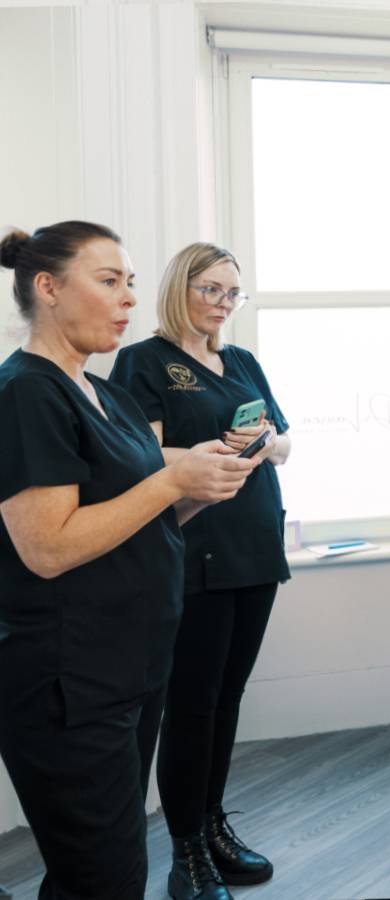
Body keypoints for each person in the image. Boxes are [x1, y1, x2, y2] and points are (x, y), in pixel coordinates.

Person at [0, 222, 255, 899]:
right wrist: (172, 481)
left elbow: (140, 520)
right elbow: (48, 547)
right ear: (48, 287)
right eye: (109, 281)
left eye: (131, 283)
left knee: (106, 866)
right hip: (69, 681)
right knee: (104, 875)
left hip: (129, 669)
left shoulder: (104, 393)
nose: (129, 299)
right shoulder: (27, 392)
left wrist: (198, 490)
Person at [110, 243, 292, 899]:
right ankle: (185, 849)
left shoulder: (241, 361)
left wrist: (261, 444)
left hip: (255, 547)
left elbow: (284, 442)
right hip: (193, 548)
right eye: (209, 289)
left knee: (228, 698)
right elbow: (143, 456)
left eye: (231, 293)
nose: (221, 303)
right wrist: (214, 452)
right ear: (178, 288)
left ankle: (213, 825)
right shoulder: (144, 361)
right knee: (193, 704)